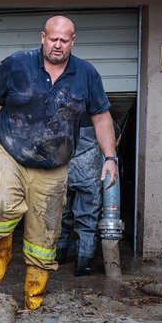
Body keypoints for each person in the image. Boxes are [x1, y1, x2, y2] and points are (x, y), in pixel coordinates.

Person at [0, 16, 118, 310]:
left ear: (73, 41)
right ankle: (2, 253)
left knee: (43, 238)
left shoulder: (86, 74)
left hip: (53, 166)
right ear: (42, 37)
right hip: (11, 152)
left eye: (64, 40)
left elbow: (101, 116)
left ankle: (33, 298)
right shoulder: (17, 63)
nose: (57, 45)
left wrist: (110, 157)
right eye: (53, 39)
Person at [56, 116, 120, 277]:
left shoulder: (58, 107)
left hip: (61, 169)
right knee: (87, 218)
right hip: (89, 170)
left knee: (61, 213)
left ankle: (58, 255)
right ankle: (83, 264)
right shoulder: (96, 109)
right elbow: (114, 133)